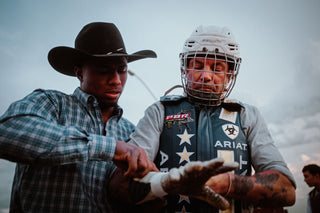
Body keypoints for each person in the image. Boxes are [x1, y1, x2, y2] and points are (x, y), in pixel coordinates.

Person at [109, 25, 296, 212]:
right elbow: (120, 186)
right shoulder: (160, 111)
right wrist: (167, 183)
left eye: (217, 68)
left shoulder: (247, 115)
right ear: (185, 69)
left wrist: (226, 183)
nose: (206, 76)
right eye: (197, 66)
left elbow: (286, 190)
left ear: (229, 74)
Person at [0, 22, 159, 212]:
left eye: (121, 70)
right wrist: (112, 148)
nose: (116, 80)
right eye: (103, 70)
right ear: (79, 73)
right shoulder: (51, 103)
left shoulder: (132, 131)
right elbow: (7, 131)